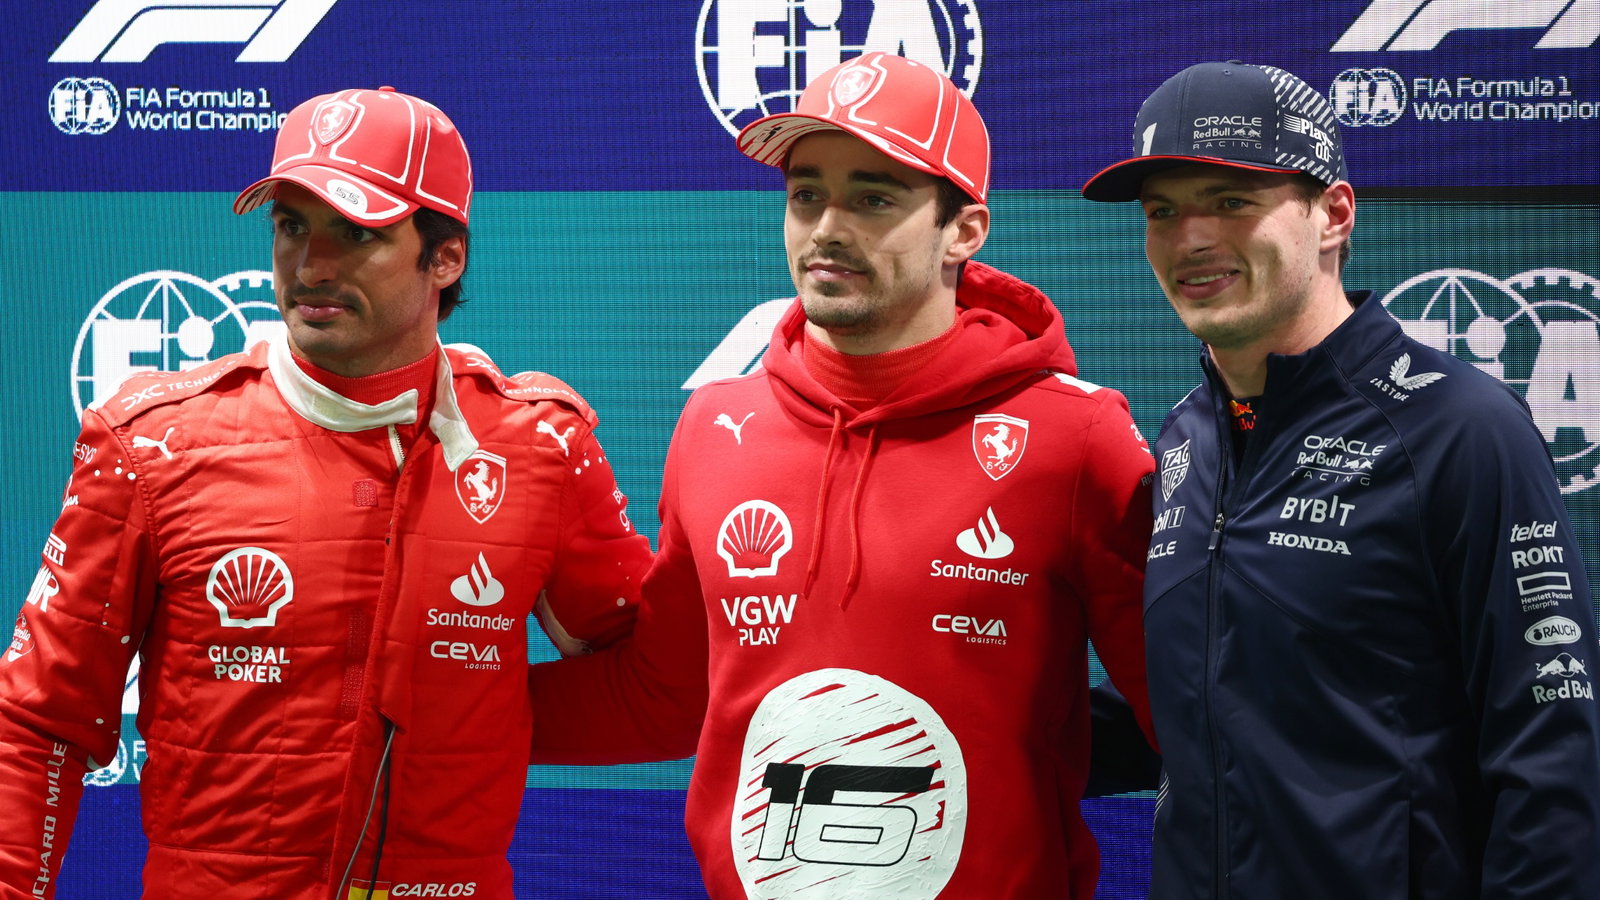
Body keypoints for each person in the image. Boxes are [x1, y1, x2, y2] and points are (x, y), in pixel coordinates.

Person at [528, 52, 1156, 898]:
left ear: (964, 229)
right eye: (806, 194)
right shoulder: (716, 424)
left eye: (873, 197)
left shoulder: (1077, 439)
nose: (827, 227)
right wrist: (417, 713)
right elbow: (666, 695)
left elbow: (1192, 720)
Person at [0, 86, 651, 899]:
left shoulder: (543, 445)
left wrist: (466, 718)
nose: (311, 266)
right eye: (291, 226)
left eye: (358, 233)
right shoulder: (152, 443)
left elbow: (650, 687)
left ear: (444, 256)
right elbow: (37, 721)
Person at [1082, 60, 1600, 897]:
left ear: (1334, 213)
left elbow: (1551, 753)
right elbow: (1202, 705)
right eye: (1163, 211)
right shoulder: (1187, 435)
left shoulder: (1461, 428)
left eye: (1231, 202)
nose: (1191, 239)